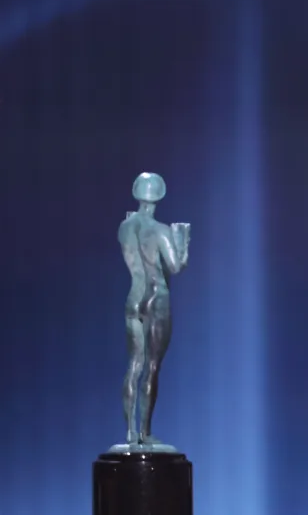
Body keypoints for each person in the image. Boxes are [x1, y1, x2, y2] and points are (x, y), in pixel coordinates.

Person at [118, 172, 190, 447]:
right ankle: (145, 432)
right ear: (158, 197)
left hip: (134, 297)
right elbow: (174, 267)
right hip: (156, 297)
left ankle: (129, 433)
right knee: (151, 367)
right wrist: (182, 243)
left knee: (133, 366)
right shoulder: (159, 230)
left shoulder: (124, 227)